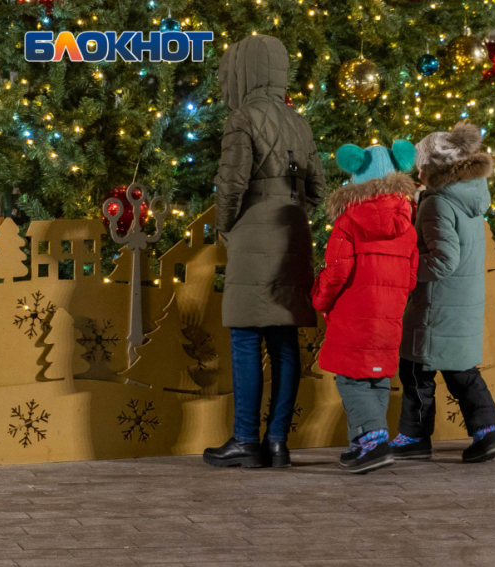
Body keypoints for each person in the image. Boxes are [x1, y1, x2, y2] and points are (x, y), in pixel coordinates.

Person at [203, 35, 325, 469]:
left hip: (253, 231)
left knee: (246, 337)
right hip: (293, 233)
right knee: (285, 338)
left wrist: (226, 227)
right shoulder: (299, 122)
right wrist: (289, 210)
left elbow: (231, 184)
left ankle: (244, 441)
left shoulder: (242, 118)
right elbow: (317, 189)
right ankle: (277, 442)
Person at [392, 121, 495, 463]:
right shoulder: (468, 196)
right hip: (462, 301)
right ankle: (488, 433)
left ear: (428, 168)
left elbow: (443, 259)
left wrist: (406, 267)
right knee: (461, 371)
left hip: (436, 305)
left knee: (414, 369)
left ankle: (414, 436)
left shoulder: (436, 203)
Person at [312, 141, 419, 474]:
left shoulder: (349, 221)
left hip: (354, 312)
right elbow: (412, 275)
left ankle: (373, 437)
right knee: (377, 378)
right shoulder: (408, 224)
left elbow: (337, 271)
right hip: (389, 315)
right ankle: (363, 444)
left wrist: (320, 298)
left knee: (351, 379)